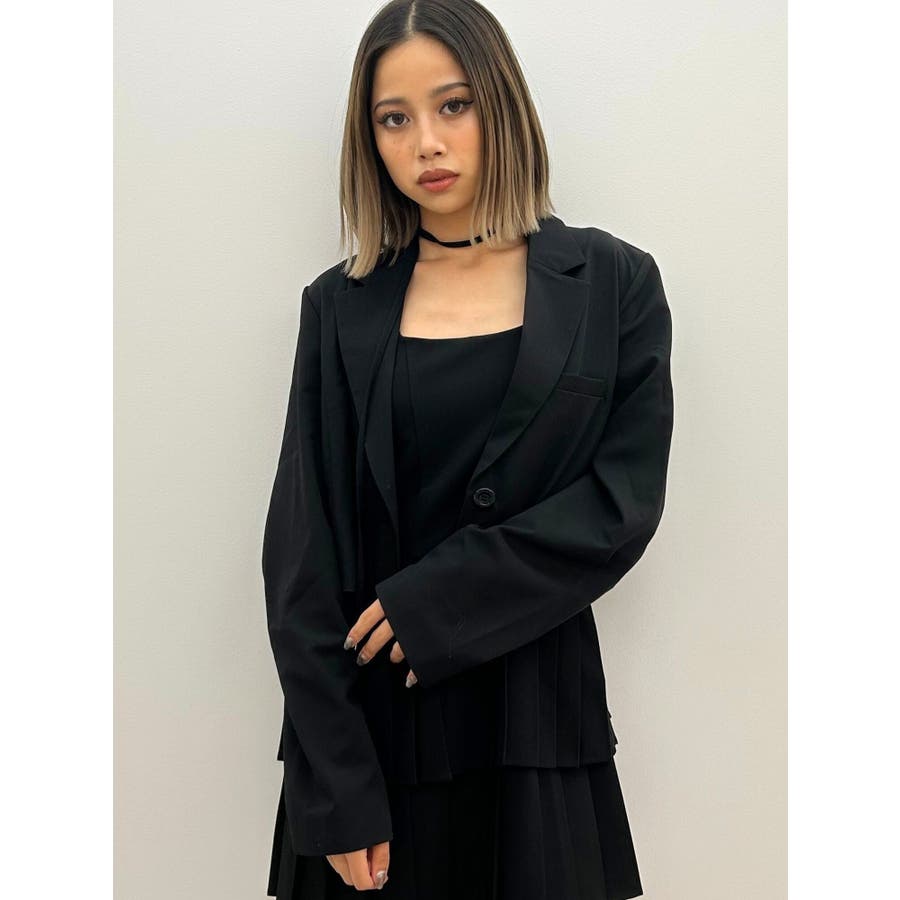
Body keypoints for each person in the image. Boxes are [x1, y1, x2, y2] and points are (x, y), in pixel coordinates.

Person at [262, 1, 674, 897]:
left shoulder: (613, 285)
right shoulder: (338, 307)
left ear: (501, 103)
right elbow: (301, 559)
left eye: (453, 106)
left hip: (537, 739)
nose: (426, 144)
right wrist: (335, 785)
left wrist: (438, 603)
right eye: (393, 119)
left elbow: (620, 506)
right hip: (374, 751)